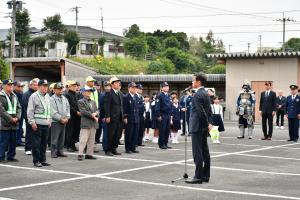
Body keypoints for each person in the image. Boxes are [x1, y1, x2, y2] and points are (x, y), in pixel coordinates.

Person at [186, 73, 212, 184]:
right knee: (205, 152)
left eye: (193, 81)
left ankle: (198, 176)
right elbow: (209, 111)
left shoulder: (197, 95)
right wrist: (209, 123)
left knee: (197, 152)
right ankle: (206, 176)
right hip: (203, 127)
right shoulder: (206, 94)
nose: (192, 83)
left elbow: (201, 112)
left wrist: (206, 123)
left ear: (199, 82)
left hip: (197, 126)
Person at [27, 79, 51, 167]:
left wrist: (50, 120)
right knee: (36, 144)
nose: (46, 88)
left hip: (46, 123)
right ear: (39, 86)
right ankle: (36, 160)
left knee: (44, 144)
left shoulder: (48, 96)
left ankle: (43, 159)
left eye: (46, 86)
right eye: (44, 86)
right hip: (37, 124)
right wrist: (32, 122)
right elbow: (30, 111)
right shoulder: (34, 96)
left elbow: (49, 110)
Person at [0, 79, 22, 163]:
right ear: (4, 86)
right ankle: (1, 157)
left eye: (11, 85)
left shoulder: (14, 95)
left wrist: (17, 117)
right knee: (4, 141)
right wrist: (10, 119)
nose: (11, 86)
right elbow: (1, 110)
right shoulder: (1, 95)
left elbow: (19, 108)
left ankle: (11, 156)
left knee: (13, 141)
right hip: (4, 122)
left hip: (14, 122)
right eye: (9, 85)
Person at [77, 87, 99, 161]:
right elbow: (83, 111)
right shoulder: (80, 101)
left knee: (91, 140)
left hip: (93, 123)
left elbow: (97, 110)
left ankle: (89, 154)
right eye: (87, 91)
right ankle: (80, 154)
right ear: (83, 92)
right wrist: (93, 115)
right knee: (83, 139)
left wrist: (95, 113)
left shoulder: (93, 102)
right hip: (86, 123)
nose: (89, 93)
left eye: (90, 91)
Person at [104, 76, 123, 156]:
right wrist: (107, 116)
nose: (118, 84)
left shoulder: (120, 93)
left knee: (117, 134)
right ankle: (108, 150)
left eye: (118, 82)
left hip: (119, 117)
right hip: (112, 117)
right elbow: (107, 106)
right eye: (116, 82)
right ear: (112, 84)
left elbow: (121, 106)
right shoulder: (109, 93)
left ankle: (114, 148)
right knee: (110, 134)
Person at [50, 83, 70, 158]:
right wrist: (60, 119)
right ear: (54, 90)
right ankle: (53, 152)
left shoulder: (64, 98)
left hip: (64, 120)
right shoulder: (51, 99)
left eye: (61, 89)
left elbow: (68, 108)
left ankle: (60, 151)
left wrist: (67, 117)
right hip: (56, 121)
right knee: (55, 137)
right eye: (58, 89)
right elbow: (52, 111)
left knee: (62, 137)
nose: (60, 90)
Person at [22, 78, 39, 155]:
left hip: (37, 117)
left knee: (35, 133)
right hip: (29, 117)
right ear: (30, 85)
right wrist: (28, 118)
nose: (36, 86)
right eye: (34, 85)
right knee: (29, 133)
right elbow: (26, 107)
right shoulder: (26, 94)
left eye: (37, 85)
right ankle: (27, 148)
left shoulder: (37, 94)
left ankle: (33, 147)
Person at [64, 80, 81, 152]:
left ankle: (73, 145)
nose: (75, 87)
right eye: (73, 86)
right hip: (71, 116)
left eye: (75, 86)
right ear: (69, 86)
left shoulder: (77, 94)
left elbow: (79, 104)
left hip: (78, 116)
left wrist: (80, 111)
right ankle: (69, 146)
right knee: (70, 132)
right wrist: (76, 112)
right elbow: (69, 107)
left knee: (76, 131)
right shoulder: (67, 95)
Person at [123, 82, 140, 154]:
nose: (134, 89)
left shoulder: (136, 96)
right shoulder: (126, 97)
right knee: (129, 134)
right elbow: (124, 108)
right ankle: (128, 148)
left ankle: (133, 148)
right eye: (133, 87)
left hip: (136, 118)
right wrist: (125, 117)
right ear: (129, 88)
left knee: (135, 134)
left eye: (135, 87)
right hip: (129, 118)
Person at [155, 82, 172, 149]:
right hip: (162, 114)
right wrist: (158, 115)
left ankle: (165, 143)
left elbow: (170, 105)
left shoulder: (168, 95)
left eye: (167, 86)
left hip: (168, 115)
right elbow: (157, 106)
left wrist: (171, 114)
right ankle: (161, 144)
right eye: (165, 86)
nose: (167, 87)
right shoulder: (159, 96)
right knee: (162, 130)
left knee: (167, 130)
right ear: (161, 88)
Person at [13, 81, 25, 146]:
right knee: (16, 128)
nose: (20, 88)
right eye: (18, 86)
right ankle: (16, 141)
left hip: (21, 112)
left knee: (20, 127)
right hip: (16, 114)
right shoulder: (14, 94)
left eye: (21, 87)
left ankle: (18, 140)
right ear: (14, 86)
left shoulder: (20, 93)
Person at [100, 81, 111, 152]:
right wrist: (103, 116)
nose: (108, 87)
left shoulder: (111, 94)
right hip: (104, 117)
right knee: (106, 134)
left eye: (109, 86)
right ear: (104, 87)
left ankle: (109, 147)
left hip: (110, 117)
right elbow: (101, 107)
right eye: (106, 86)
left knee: (110, 133)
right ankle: (105, 147)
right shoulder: (102, 95)